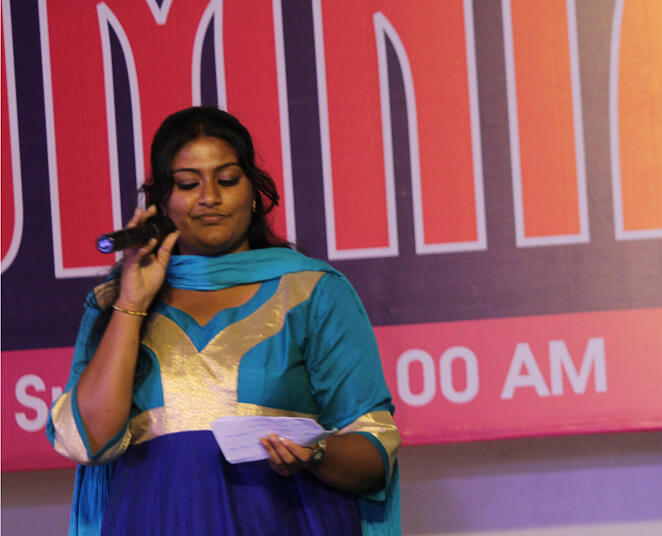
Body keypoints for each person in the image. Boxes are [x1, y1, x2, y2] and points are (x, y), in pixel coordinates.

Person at [46, 107, 400, 535]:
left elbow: (374, 449)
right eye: (188, 183)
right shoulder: (114, 302)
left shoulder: (310, 290)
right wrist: (131, 302)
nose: (209, 196)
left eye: (227, 180)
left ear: (252, 192)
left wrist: (317, 452)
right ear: (162, 201)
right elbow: (89, 442)